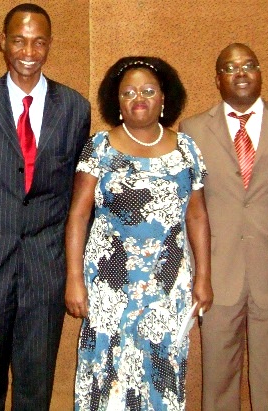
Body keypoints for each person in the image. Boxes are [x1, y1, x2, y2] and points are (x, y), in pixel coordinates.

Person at [0, 3, 91, 409]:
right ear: (3, 42)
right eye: (20, 40)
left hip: (46, 264)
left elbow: (83, 192)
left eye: (39, 42)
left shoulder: (75, 107)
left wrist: (80, 267)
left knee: (35, 384)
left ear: (49, 45)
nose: (29, 51)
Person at [65, 56, 212, 410]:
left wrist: (204, 278)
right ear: (117, 102)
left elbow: (197, 216)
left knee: (161, 371)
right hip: (109, 285)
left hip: (168, 286)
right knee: (106, 372)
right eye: (128, 92)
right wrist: (74, 278)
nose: (139, 98)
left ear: (164, 98)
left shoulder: (187, 148)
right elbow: (78, 215)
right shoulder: (99, 147)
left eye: (148, 90)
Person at [179, 43, 268, 410]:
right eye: (230, 67)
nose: (241, 73)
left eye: (249, 65)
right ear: (218, 79)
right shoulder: (191, 130)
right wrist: (195, 273)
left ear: (260, 72)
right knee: (218, 379)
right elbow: (189, 207)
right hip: (217, 274)